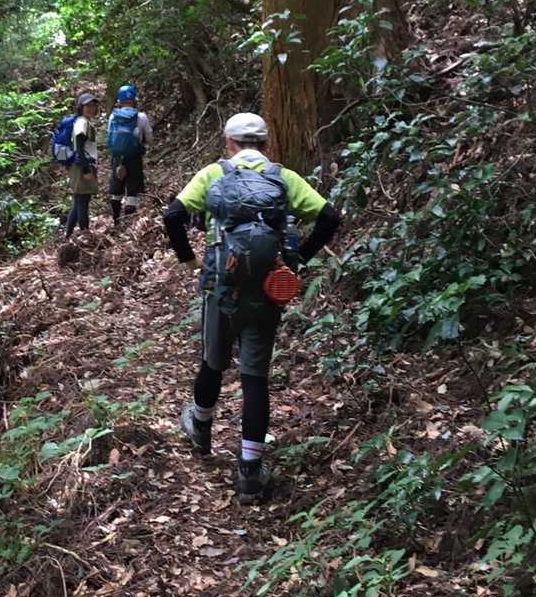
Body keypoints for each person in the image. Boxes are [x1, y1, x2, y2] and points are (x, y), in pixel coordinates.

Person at [163, 112, 341, 502]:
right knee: (255, 377)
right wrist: (300, 259)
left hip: (220, 287)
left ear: (229, 142)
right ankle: (249, 471)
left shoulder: (214, 174)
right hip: (267, 290)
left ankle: (201, 428)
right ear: (265, 142)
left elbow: (173, 215)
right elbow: (330, 217)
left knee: (213, 362)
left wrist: (188, 260)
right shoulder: (283, 178)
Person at [106, 84, 153, 227]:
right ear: (134, 99)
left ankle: (116, 221)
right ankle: (127, 224)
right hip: (134, 157)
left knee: (116, 189)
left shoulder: (113, 116)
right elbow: (150, 138)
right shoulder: (141, 117)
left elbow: (109, 137)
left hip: (117, 158)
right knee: (132, 190)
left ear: (119, 100)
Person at [65, 91, 100, 238]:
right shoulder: (82, 122)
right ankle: (85, 235)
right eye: (88, 106)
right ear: (81, 107)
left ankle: (68, 235)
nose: (91, 108)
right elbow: (79, 146)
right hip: (82, 166)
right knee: (83, 200)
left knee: (78, 201)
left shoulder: (84, 121)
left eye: (93, 105)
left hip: (80, 165)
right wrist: (86, 169)